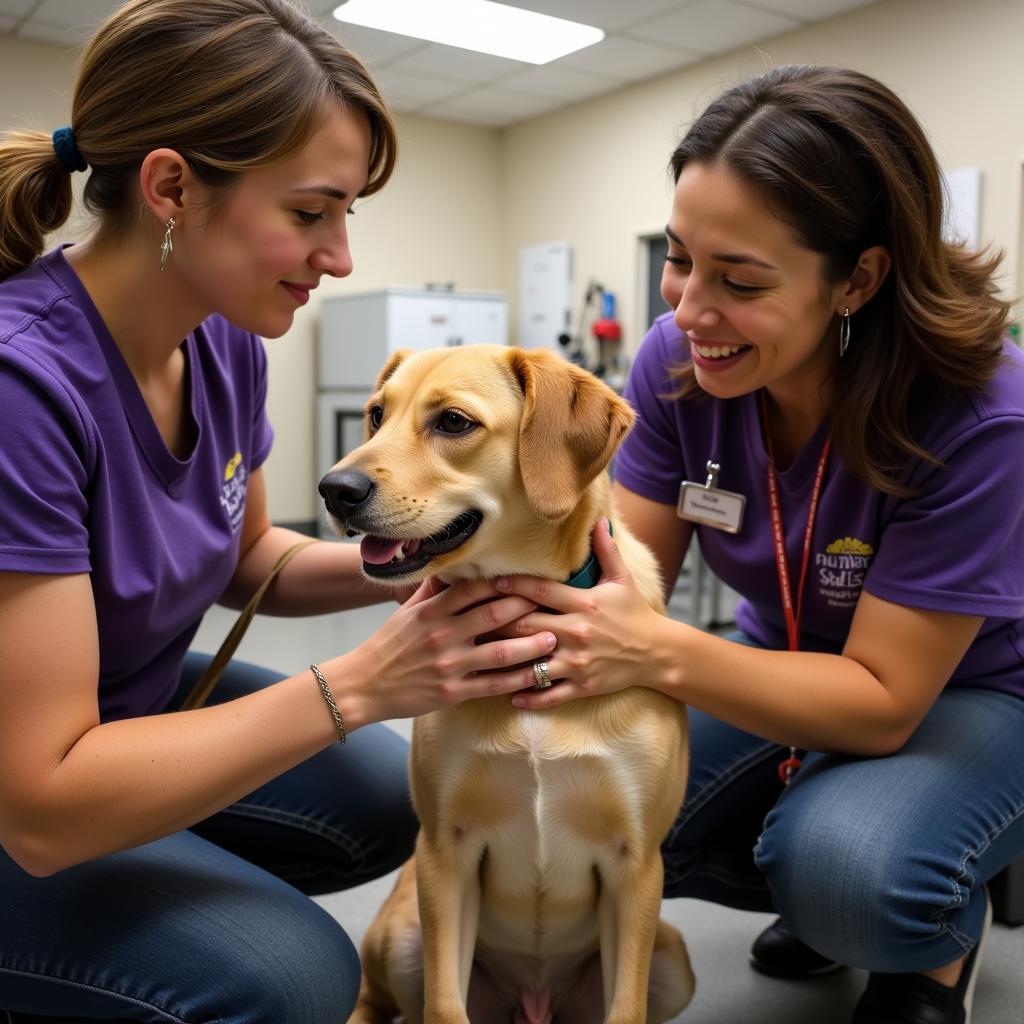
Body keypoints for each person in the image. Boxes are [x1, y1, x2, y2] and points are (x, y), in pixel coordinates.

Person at [0, 2, 557, 1021]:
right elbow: (39, 801)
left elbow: (250, 554)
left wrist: (445, 556)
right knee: (298, 978)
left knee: (386, 799)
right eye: (311, 212)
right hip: (26, 791)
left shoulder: (221, 342)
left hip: (127, 708)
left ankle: (151, 897)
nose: (339, 255)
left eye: (346, 215)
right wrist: (360, 681)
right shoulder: (21, 386)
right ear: (172, 188)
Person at [495, 65, 1024, 1024]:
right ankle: (822, 880)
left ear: (858, 278)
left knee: (852, 873)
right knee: (564, 799)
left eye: (739, 281)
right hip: (784, 657)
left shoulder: (983, 415)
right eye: (679, 258)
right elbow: (622, 582)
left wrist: (649, 648)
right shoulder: (675, 362)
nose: (690, 310)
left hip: (972, 688)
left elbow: (879, 704)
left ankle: (919, 931)